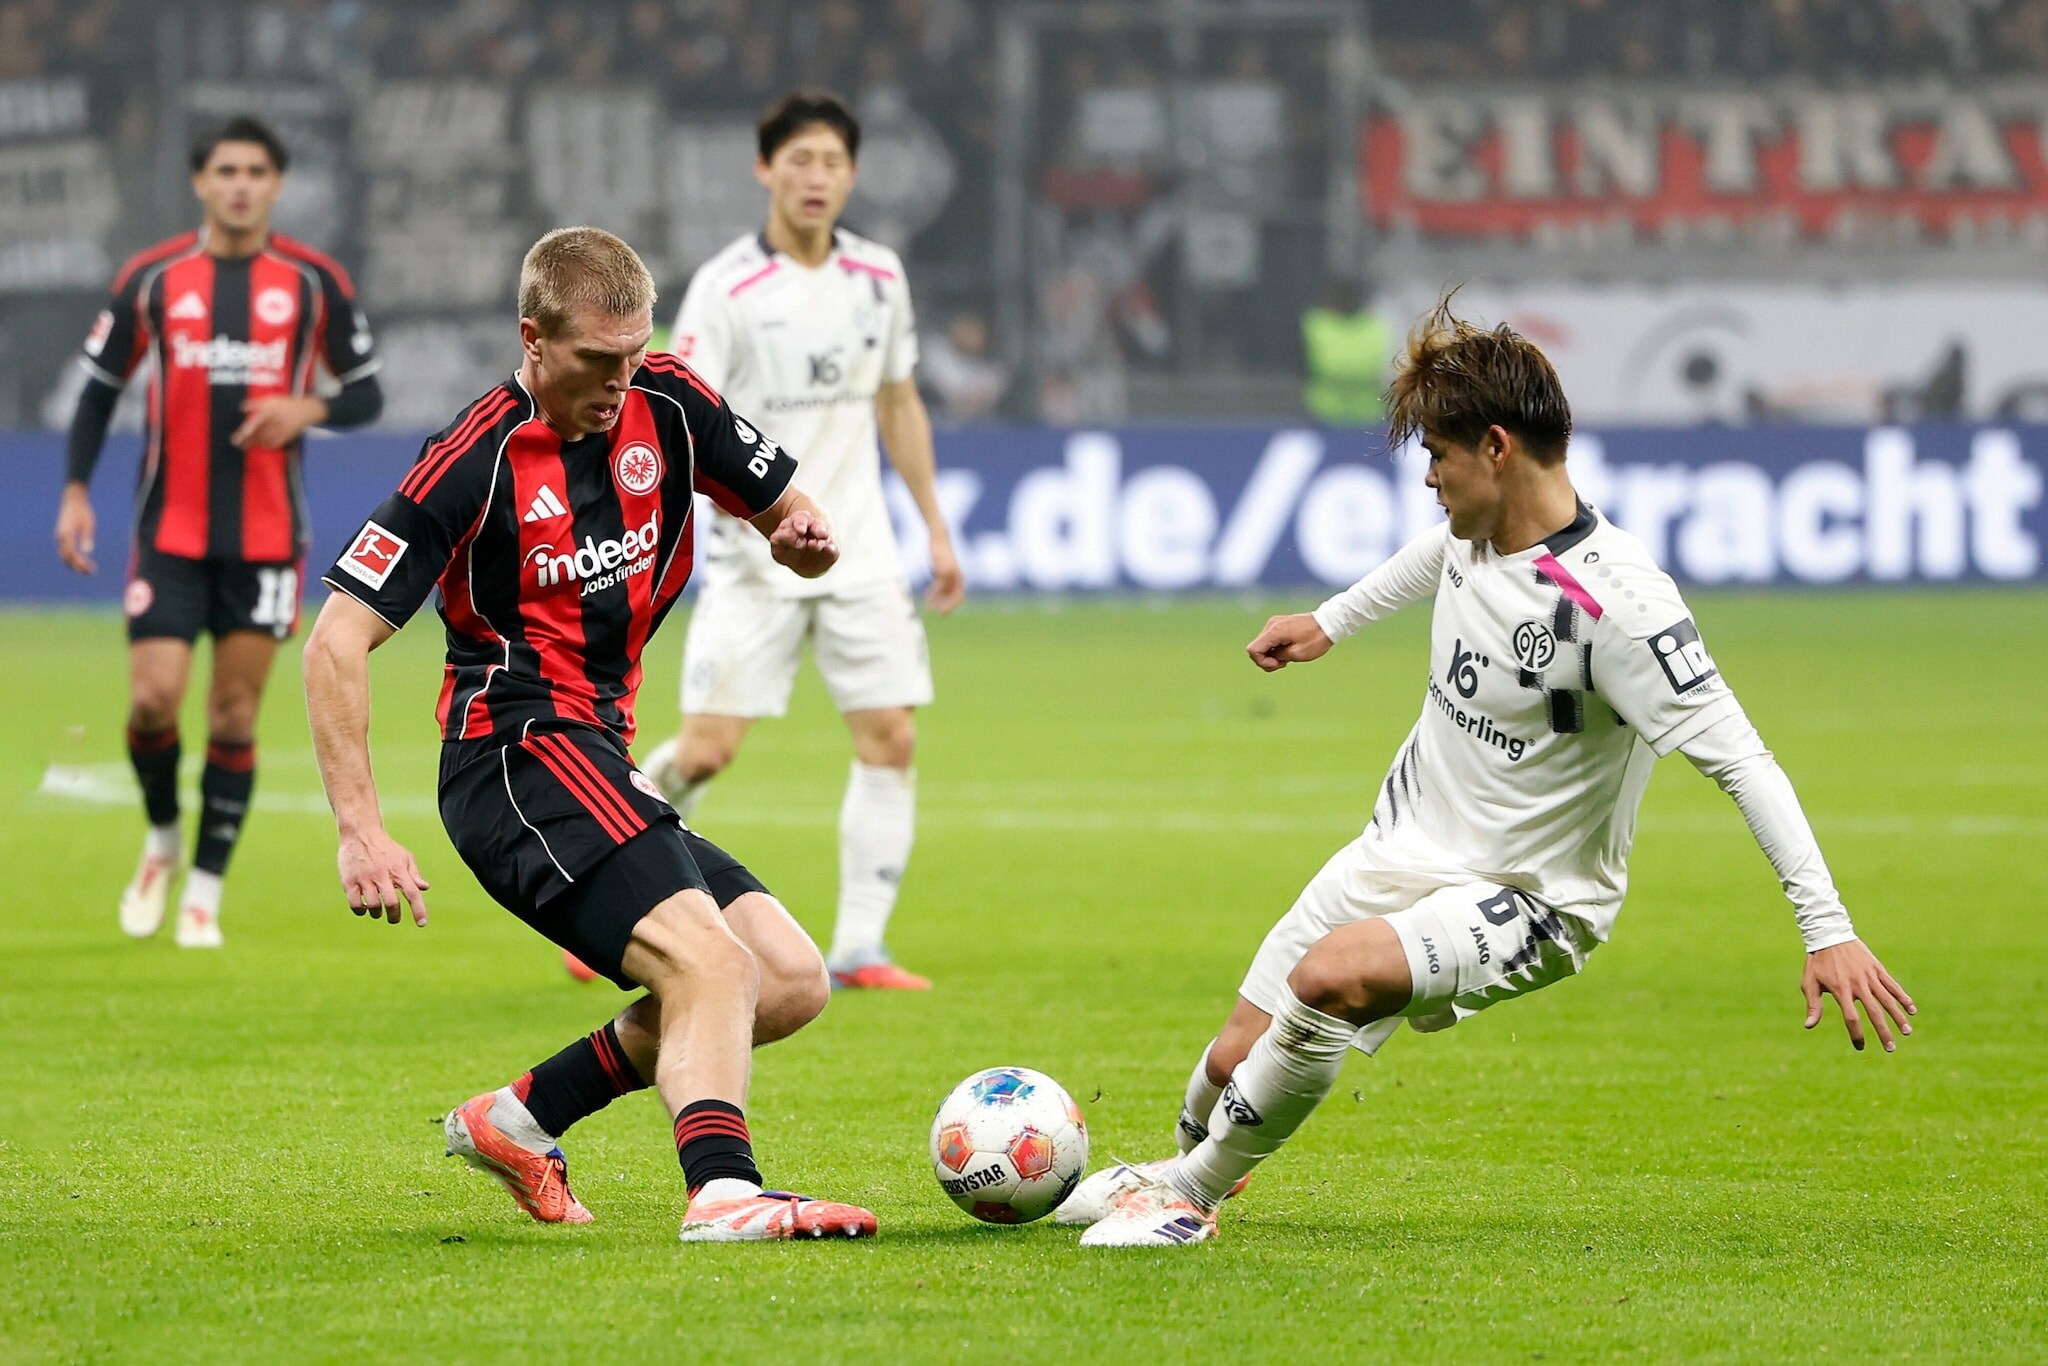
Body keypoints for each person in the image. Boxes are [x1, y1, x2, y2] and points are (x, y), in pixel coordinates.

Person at [1060, 297, 1917, 1248]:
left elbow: (1744, 762)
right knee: (1233, 1058)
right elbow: (1436, 557)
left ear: (1498, 448)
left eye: (1437, 455)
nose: (1428, 478)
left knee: (1327, 980)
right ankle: (1174, 1165)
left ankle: (1190, 1200)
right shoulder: (1478, 532)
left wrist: (1827, 929)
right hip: (1403, 845)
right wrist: (1329, 623)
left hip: (1531, 895)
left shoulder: (1619, 605)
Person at [301, 227, 877, 1243]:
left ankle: (517, 1118)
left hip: (597, 757)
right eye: (595, 360)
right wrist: (360, 827)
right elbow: (335, 642)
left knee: (786, 981)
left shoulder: (671, 402)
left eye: (632, 354)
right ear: (532, 339)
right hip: (512, 758)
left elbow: (797, 522)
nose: (620, 380)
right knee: (713, 964)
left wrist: (800, 544)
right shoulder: (470, 460)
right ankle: (723, 1192)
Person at [639, 90, 964, 992]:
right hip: (756, 554)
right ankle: (620, 848)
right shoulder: (726, 289)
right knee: (706, 751)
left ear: (853, 174)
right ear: (765, 169)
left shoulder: (879, 278)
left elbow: (897, 401)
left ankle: (859, 946)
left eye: (832, 162)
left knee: (891, 737)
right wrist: (743, 519)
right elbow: (684, 415)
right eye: (799, 160)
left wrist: (935, 528)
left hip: (859, 551)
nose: (816, 177)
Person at [55, 115, 383, 949]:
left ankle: (203, 890)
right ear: (200, 181)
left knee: (235, 717)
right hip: (168, 529)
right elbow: (97, 391)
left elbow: (367, 393)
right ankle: (163, 836)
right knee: (152, 700)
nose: (240, 184)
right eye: (225, 170)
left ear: (276, 185)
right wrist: (74, 492)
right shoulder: (154, 279)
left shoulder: (312, 283)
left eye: (256, 171)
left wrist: (305, 405)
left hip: (268, 535)